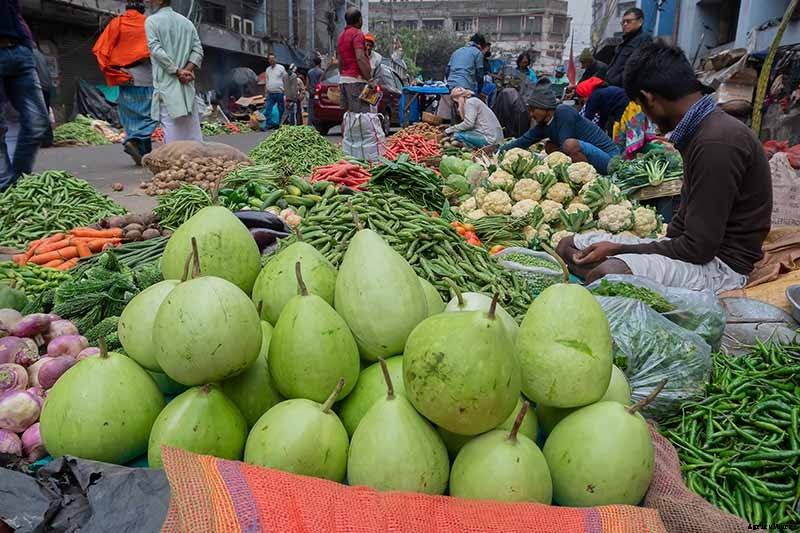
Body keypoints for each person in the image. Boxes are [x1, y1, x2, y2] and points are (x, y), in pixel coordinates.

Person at [557, 41, 772, 294]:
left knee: (608, 273)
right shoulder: (700, 131)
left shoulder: (717, 142)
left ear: (649, 99)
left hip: (721, 267)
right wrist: (628, 247)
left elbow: (698, 249)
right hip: (688, 249)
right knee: (567, 245)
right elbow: (680, 232)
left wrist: (619, 249)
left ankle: (605, 276)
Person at [93, 0, 158, 164]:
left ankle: (142, 152)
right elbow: (157, 50)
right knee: (150, 114)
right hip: (145, 76)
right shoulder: (148, 23)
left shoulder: (116, 23)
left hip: (123, 76)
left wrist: (112, 70)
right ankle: (134, 141)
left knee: (130, 114)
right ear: (142, 9)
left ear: (126, 8)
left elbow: (100, 49)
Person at [499, 85, 619, 174]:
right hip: (590, 155)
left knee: (569, 145)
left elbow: (565, 145)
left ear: (545, 108)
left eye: (533, 110)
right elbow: (523, 141)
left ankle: (589, 178)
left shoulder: (564, 112)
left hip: (609, 159)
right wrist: (498, 151)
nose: (530, 115)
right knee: (549, 146)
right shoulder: (543, 125)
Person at [0, 0, 50, 192]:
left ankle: (19, 182)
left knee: (38, 122)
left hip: (19, 50)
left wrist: (26, 45)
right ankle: (7, 190)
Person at [145, 0, 204, 144]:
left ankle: (174, 161)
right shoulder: (187, 23)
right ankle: (195, 161)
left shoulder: (151, 21)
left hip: (167, 84)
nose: (148, 1)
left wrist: (177, 71)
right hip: (186, 84)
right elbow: (198, 50)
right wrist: (187, 70)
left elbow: (156, 50)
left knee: (171, 130)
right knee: (192, 130)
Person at [604, 7, 651, 87]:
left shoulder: (644, 39)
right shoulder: (624, 42)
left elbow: (638, 68)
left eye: (628, 21)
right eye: (623, 22)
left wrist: (618, 81)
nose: (625, 24)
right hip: (612, 86)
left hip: (623, 90)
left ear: (640, 22)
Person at [337, 8, 372, 114]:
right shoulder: (358, 34)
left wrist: (342, 76)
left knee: (349, 115)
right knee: (361, 117)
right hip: (357, 81)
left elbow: (340, 61)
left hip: (344, 81)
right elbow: (360, 58)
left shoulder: (341, 36)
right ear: (359, 20)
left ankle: (348, 131)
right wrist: (370, 79)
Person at [264, 53, 287, 128]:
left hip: (279, 92)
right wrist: (266, 92)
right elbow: (267, 81)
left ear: (275, 59)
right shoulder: (268, 70)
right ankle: (268, 124)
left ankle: (280, 124)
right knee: (268, 109)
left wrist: (285, 91)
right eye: (270, 59)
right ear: (268, 61)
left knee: (281, 109)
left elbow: (285, 79)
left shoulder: (281, 68)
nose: (272, 60)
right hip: (270, 93)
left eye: (273, 58)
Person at [307, 56, 323, 126]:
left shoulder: (309, 72)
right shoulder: (321, 72)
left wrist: (309, 90)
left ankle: (309, 123)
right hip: (318, 92)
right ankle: (317, 124)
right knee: (318, 108)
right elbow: (320, 82)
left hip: (311, 92)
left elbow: (307, 84)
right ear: (320, 63)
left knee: (310, 108)